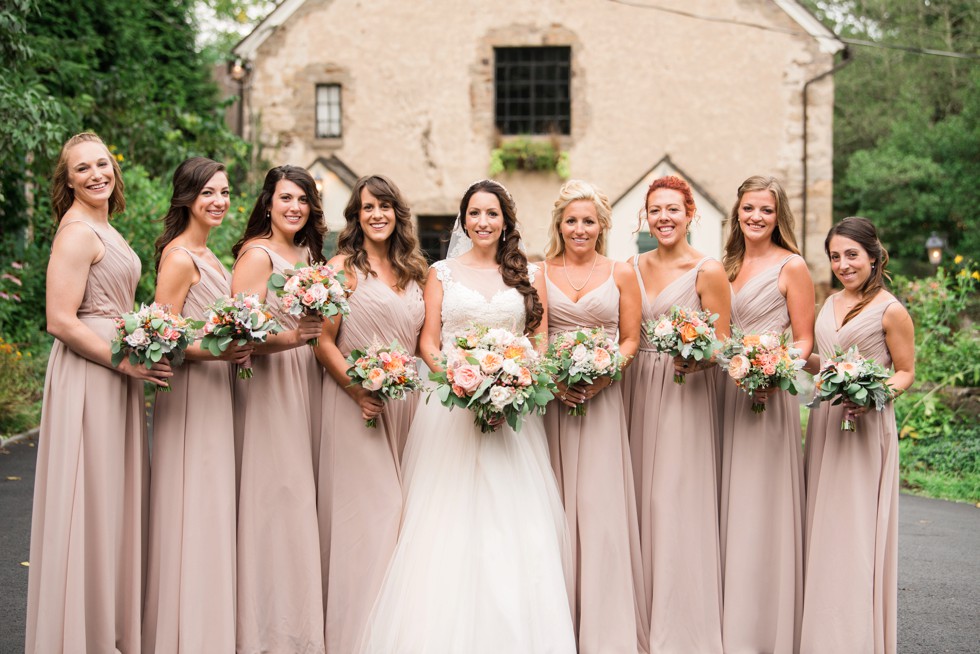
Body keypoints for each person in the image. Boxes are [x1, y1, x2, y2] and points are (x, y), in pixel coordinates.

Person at [358, 179, 576, 653]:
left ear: (506, 221)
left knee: (515, 520)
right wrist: (463, 382)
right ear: (463, 220)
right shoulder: (441, 272)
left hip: (514, 412)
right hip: (450, 410)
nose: (483, 222)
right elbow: (429, 342)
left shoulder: (529, 274)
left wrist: (514, 381)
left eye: (492, 214)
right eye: (474, 213)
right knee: (446, 518)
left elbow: (538, 340)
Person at [25, 132, 172, 653]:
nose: (96, 174)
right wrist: (126, 361)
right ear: (67, 180)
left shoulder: (102, 226)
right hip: (93, 374)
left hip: (116, 372)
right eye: (82, 168)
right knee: (89, 496)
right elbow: (60, 321)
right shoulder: (77, 232)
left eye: (102, 164)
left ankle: (107, 629)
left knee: (112, 497)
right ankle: (78, 635)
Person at [142, 157, 251, 652]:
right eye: (208, 192)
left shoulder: (210, 255)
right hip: (191, 395)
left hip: (217, 390)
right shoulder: (180, 257)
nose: (219, 202)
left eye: (224, 192)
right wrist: (218, 350)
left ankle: (209, 623)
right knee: (193, 501)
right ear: (186, 197)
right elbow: (161, 338)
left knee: (212, 503)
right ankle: (185, 631)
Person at [314, 174, 427, 653]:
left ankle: (395, 635)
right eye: (367, 208)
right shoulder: (341, 269)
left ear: (396, 213)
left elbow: (427, 345)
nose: (377, 215)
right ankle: (354, 639)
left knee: (405, 523)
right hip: (358, 405)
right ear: (356, 218)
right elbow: (322, 342)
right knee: (370, 521)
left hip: (410, 408)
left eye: (384, 206)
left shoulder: (414, 271)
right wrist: (357, 389)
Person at [622, 175, 731, 654]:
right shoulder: (629, 266)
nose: (663, 218)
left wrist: (699, 355)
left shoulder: (708, 270)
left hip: (684, 389)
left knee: (673, 502)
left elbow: (723, 342)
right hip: (631, 387)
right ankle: (633, 620)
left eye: (672, 209)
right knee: (635, 499)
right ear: (645, 216)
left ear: (691, 215)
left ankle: (678, 629)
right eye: (655, 210)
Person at [541, 179, 647, 653]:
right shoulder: (540, 271)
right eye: (571, 221)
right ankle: (557, 624)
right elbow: (538, 337)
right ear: (559, 225)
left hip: (603, 402)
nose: (579, 229)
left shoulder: (622, 272)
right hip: (554, 404)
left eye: (588, 221)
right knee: (556, 506)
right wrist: (555, 380)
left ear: (602, 225)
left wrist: (603, 378)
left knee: (601, 511)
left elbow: (631, 339)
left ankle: (606, 629)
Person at [800, 217, 914, 654]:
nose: (843, 264)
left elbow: (905, 372)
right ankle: (821, 633)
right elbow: (821, 360)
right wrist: (776, 354)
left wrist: (874, 396)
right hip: (829, 421)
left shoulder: (891, 310)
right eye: (835, 256)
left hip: (866, 422)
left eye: (851, 255)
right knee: (823, 524)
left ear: (872, 256)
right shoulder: (828, 303)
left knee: (855, 527)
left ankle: (852, 638)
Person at [716, 175, 814, 653]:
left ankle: (766, 629)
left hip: (771, 394)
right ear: (737, 212)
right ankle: (728, 621)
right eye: (749, 208)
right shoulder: (726, 265)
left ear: (779, 217)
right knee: (726, 500)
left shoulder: (791, 266)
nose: (756, 217)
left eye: (766, 210)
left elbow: (804, 339)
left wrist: (774, 370)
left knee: (763, 505)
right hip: (725, 392)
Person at [232, 165, 326, 653]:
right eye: (286, 198)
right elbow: (240, 333)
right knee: (278, 498)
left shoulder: (308, 253)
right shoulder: (256, 254)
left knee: (303, 498)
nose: (295, 207)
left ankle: (303, 624)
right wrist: (292, 337)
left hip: (308, 377)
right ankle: (270, 633)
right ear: (268, 202)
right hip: (273, 384)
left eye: (303, 200)